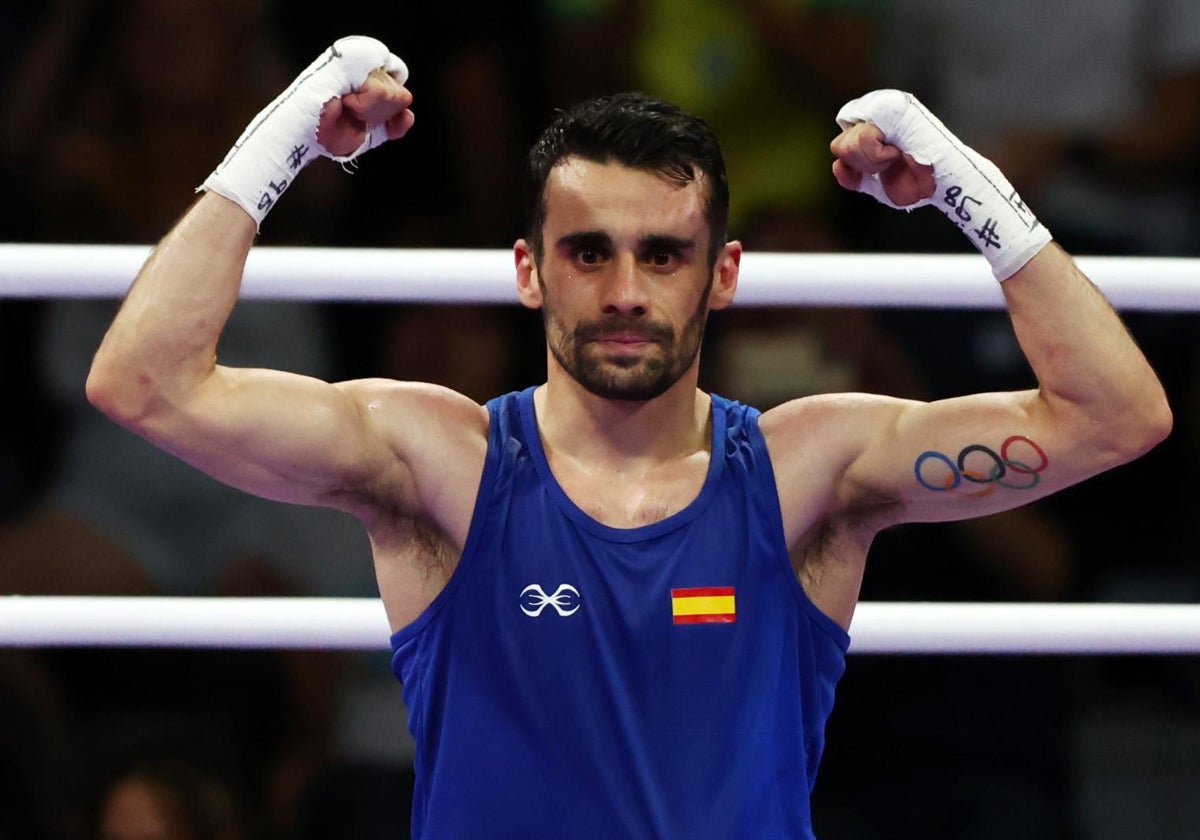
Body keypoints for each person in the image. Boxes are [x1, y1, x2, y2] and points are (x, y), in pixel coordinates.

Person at [85, 36, 1171, 838]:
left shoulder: (805, 473)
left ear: (722, 275)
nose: (623, 291)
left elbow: (1116, 418)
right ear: (529, 268)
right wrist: (280, 139)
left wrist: (969, 191)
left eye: (662, 254)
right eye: (589, 250)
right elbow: (145, 383)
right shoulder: (442, 463)